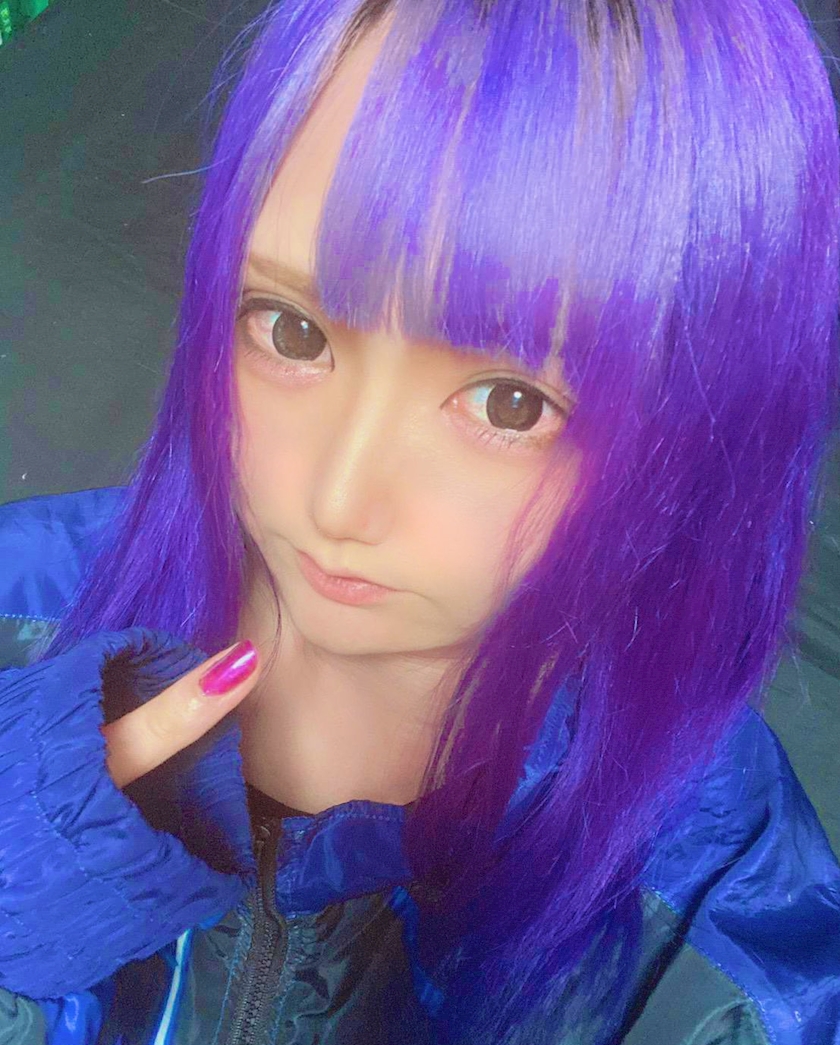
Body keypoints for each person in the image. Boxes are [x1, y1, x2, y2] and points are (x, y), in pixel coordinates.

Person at [1, 0, 839, 1042]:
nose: (337, 498)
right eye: (292, 331)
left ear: (699, 430)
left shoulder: (718, 918)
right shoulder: (20, 611)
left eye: (511, 404)